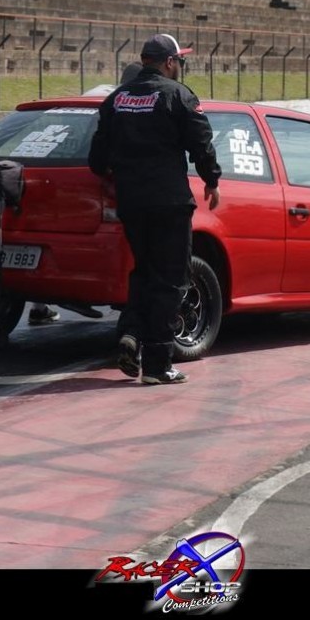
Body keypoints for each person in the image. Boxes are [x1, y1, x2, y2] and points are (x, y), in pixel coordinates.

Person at [88, 34, 221, 385]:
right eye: (180, 61)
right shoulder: (178, 95)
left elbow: (97, 157)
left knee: (145, 273)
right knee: (172, 279)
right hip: (169, 202)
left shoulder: (116, 99)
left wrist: (115, 172)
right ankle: (158, 365)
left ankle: (131, 333)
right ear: (169, 62)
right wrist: (212, 180)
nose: (180, 66)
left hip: (131, 203)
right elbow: (201, 143)